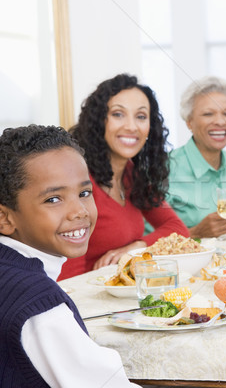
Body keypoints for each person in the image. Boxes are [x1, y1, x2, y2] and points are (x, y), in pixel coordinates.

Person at [0, 125, 139, 387]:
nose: (79, 211)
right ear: (5, 218)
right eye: (53, 199)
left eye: (84, 193)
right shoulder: (41, 307)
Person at [59, 74, 188, 280]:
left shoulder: (131, 173)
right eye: (118, 114)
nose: (131, 126)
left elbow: (178, 230)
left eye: (141, 116)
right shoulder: (77, 180)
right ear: (99, 120)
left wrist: (138, 247)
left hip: (121, 292)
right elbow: (67, 279)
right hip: (86, 297)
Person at [165, 76, 226, 238]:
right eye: (208, 114)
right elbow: (144, 241)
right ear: (189, 122)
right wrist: (194, 233)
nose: (220, 121)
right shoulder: (164, 167)